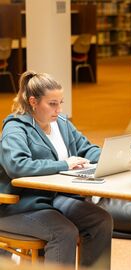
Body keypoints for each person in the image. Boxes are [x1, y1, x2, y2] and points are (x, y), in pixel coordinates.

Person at [0, 71, 113, 269]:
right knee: (63, 232)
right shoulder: (15, 128)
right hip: (17, 207)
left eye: (60, 102)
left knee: (101, 220)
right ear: (33, 101)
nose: (59, 109)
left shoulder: (61, 124)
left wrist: (114, 158)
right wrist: (65, 164)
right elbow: (17, 165)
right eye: (52, 104)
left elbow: (86, 149)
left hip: (51, 198)